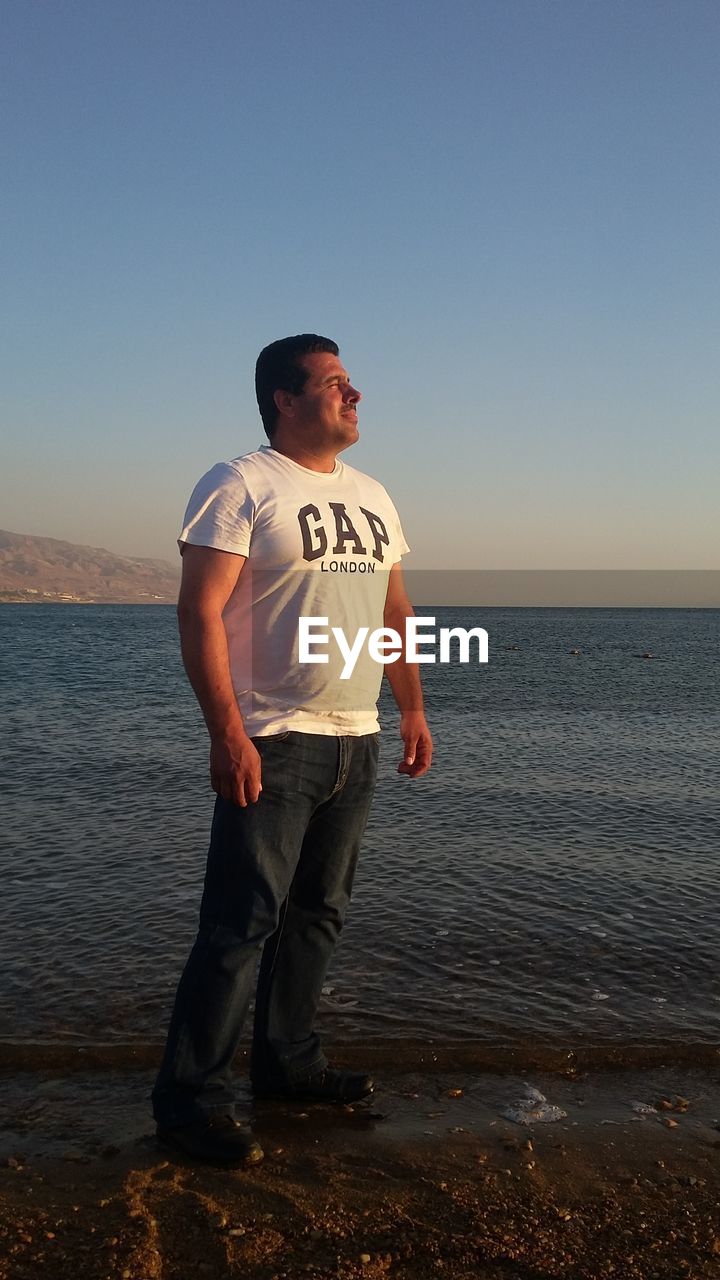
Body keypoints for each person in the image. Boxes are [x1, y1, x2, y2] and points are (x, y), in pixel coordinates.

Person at [151, 334, 433, 1167]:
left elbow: (396, 612)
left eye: (352, 384)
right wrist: (226, 732)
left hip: (356, 739)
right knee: (240, 924)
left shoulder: (376, 496)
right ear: (284, 397)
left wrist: (411, 708)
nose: (355, 396)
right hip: (272, 739)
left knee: (317, 916)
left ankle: (288, 1065)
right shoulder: (239, 483)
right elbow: (199, 613)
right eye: (336, 384)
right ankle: (188, 1098)